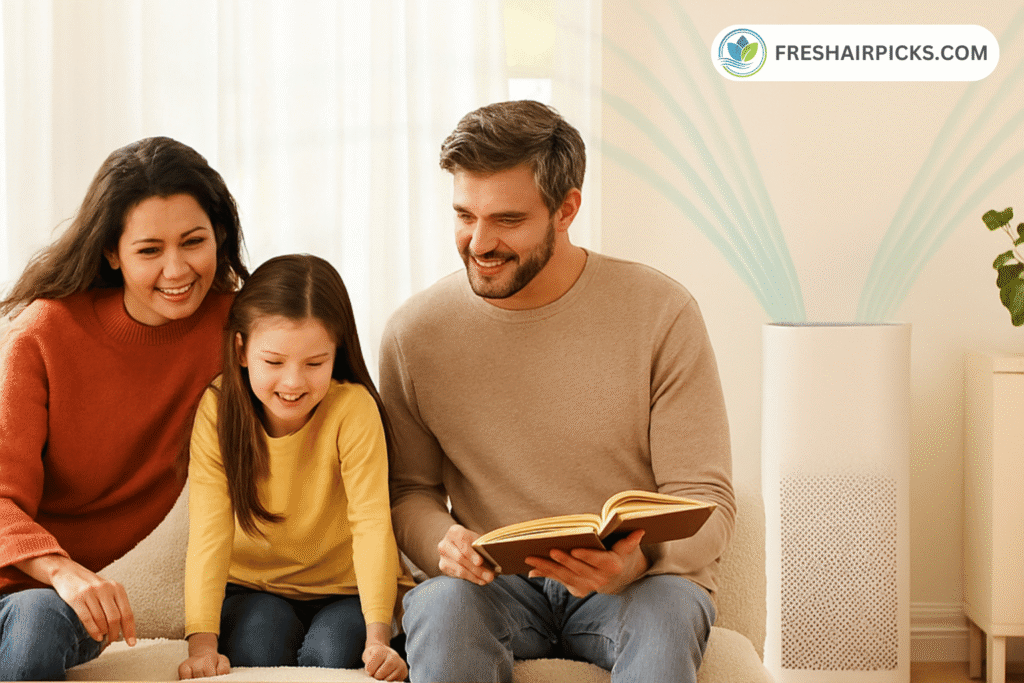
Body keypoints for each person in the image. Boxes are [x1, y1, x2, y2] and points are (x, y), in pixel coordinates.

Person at [379, 100, 736, 683]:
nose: (479, 242)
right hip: (492, 588)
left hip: (635, 588)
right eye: (465, 215)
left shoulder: (660, 313)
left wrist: (639, 559)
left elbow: (706, 497)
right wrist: (442, 542)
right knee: (440, 606)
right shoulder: (414, 333)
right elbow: (408, 490)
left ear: (566, 208)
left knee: (670, 611)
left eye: (508, 220)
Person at [0, 136, 248, 681]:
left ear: (220, 236)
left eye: (193, 241)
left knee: (40, 620)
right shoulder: (43, 334)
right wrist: (61, 569)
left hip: (52, 610)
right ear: (112, 252)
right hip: (33, 583)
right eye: (149, 250)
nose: (177, 270)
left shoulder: (237, 330)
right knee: (40, 608)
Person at [179, 254, 409, 682]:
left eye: (314, 363)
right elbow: (209, 531)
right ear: (241, 349)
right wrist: (202, 647)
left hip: (346, 590)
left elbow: (373, 524)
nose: (293, 383)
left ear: (336, 353)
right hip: (253, 587)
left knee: (335, 654)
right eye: (274, 362)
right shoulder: (217, 409)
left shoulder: (353, 409)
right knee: (256, 649)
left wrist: (378, 638)